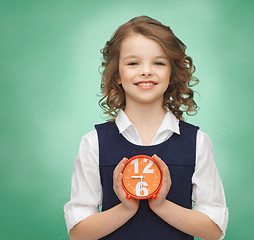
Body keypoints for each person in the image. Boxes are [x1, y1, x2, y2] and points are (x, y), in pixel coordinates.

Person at [64, 16, 228, 240]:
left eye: (159, 63)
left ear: (172, 73)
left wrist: (161, 205)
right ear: (117, 74)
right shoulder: (94, 143)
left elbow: (214, 230)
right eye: (133, 63)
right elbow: (78, 233)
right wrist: (126, 208)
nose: (146, 71)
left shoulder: (197, 141)